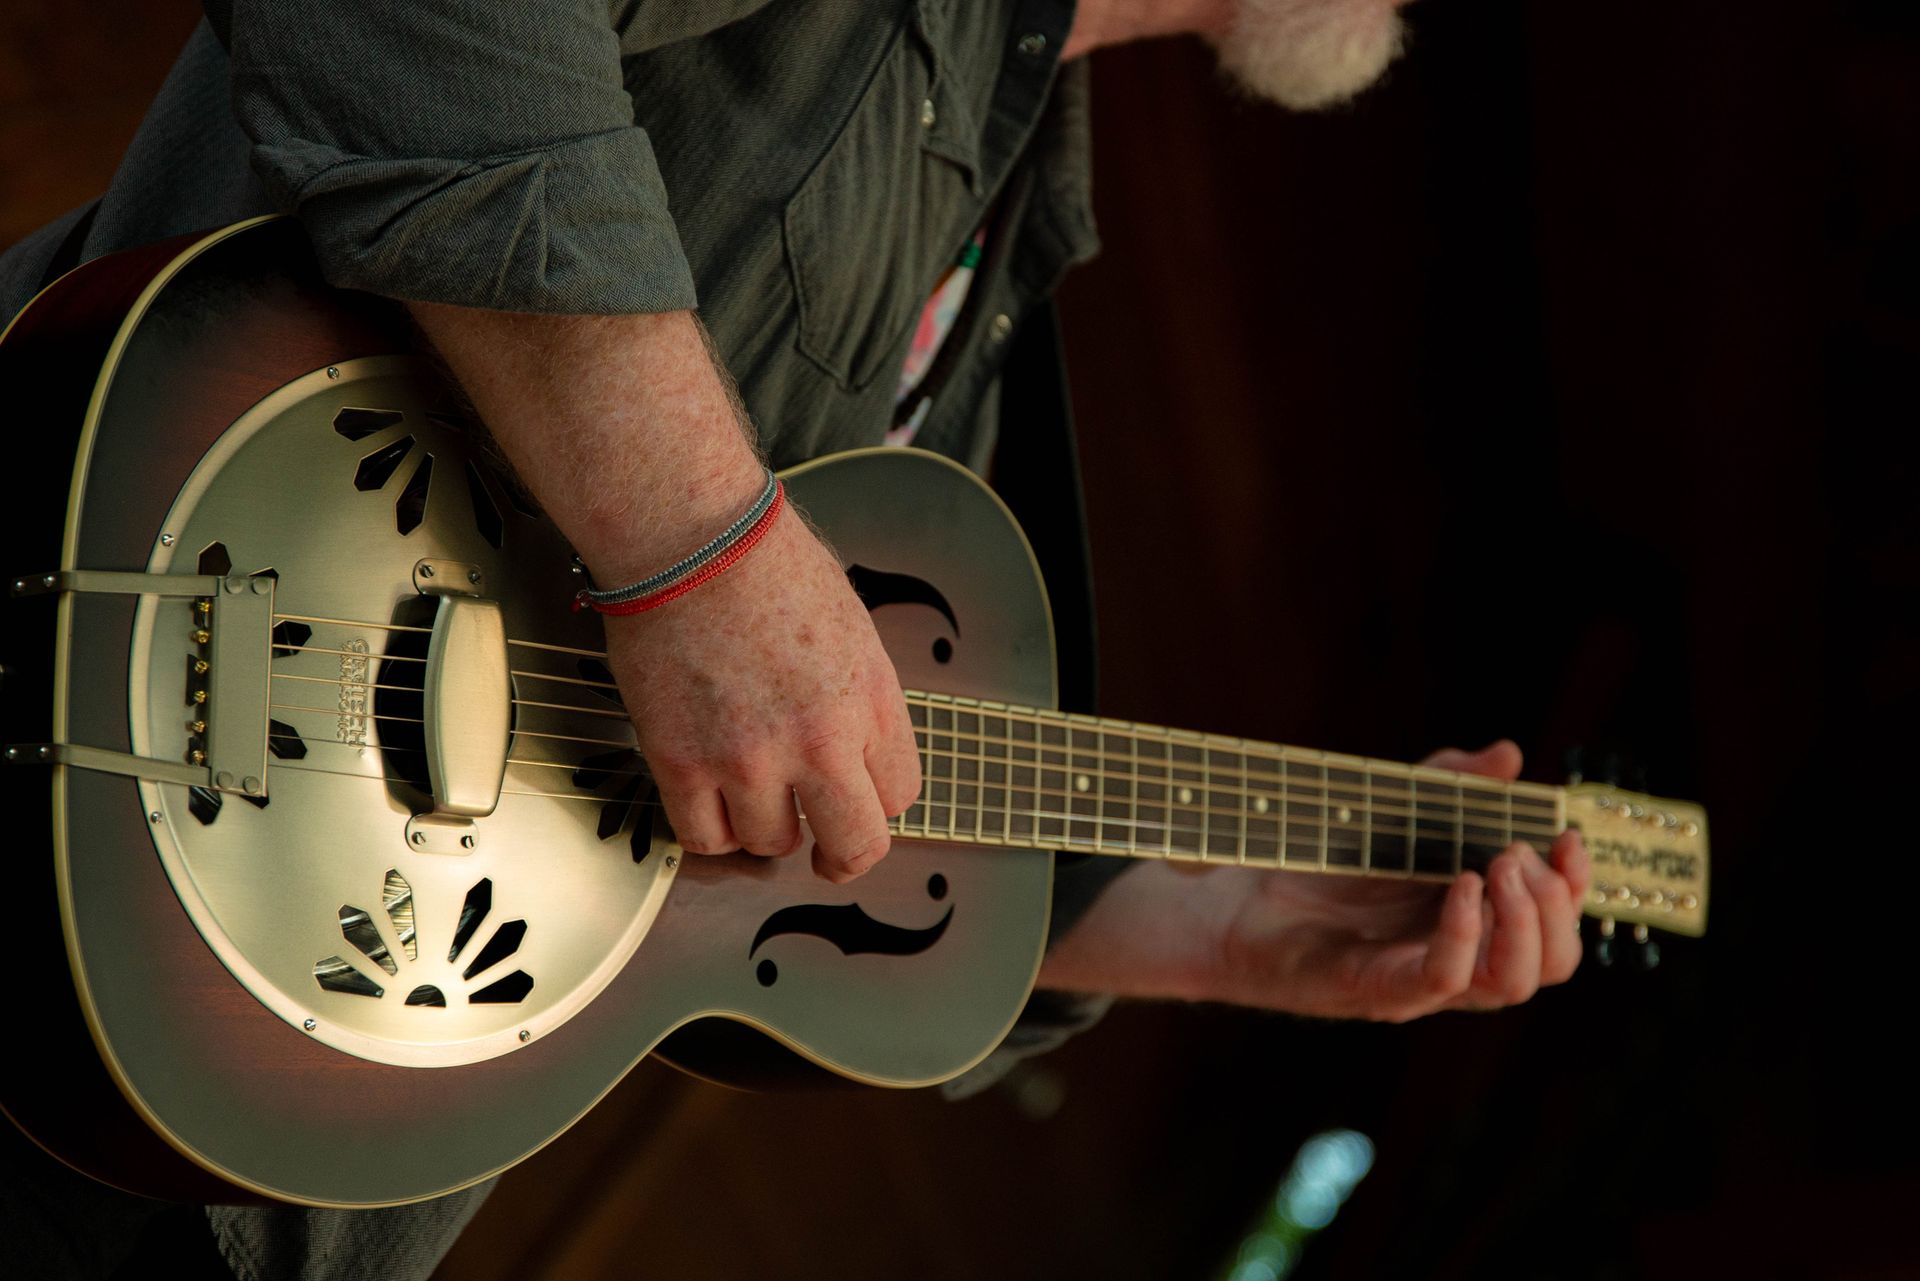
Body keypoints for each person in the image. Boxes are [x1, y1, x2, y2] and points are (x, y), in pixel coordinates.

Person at [0, 1, 1590, 1276]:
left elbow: (798, 832)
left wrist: (1234, 926)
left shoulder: (1002, 265)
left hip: (236, 1157)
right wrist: (702, 546)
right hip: (104, 751)